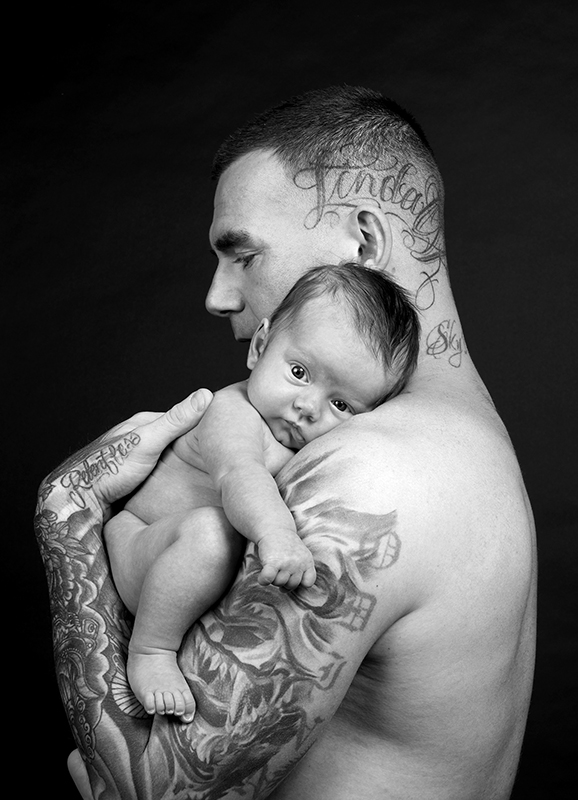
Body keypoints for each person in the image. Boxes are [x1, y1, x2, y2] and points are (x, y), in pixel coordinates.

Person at [35, 85, 536, 800]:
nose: (217, 297)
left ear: (363, 243)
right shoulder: (467, 444)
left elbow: (145, 792)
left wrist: (66, 514)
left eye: (243, 254)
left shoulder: (372, 472)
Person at [103, 263, 419, 724]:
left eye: (340, 404)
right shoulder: (233, 412)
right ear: (260, 346)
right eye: (299, 372)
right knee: (212, 534)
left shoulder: (307, 440)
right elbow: (240, 474)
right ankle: (150, 651)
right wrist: (278, 534)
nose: (307, 407)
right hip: (141, 544)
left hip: (183, 576)